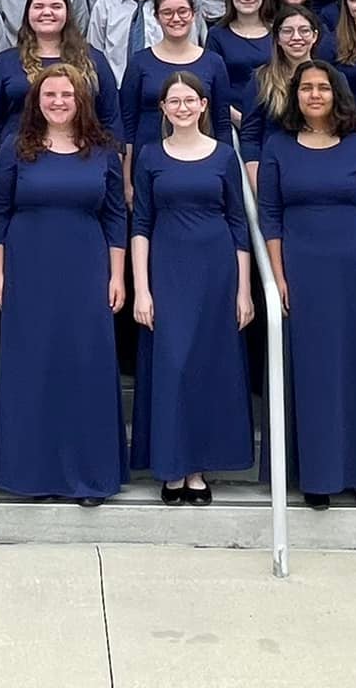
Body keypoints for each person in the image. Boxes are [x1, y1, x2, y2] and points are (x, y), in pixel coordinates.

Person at [256, 61, 356, 508]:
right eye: (306, 88)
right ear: (294, 96)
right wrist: (277, 277)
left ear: (337, 94)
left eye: (323, 87)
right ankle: (316, 475)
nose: (314, 95)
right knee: (312, 371)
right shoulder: (278, 145)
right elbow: (270, 217)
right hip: (301, 270)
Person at [0, 64, 128, 502]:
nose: (58, 102)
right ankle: (31, 475)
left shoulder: (102, 149)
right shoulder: (16, 147)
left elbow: (115, 216)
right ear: (37, 101)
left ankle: (88, 476)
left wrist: (117, 274)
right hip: (28, 266)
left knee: (84, 365)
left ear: (81, 100)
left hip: (86, 266)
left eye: (67, 95)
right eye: (50, 95)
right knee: (32, 367)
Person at [131, 71, 253, 504]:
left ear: (204, 106)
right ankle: (171, 465)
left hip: (217, 271)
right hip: (168, 269)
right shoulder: (149, 155)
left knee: (206, 365)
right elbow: (140, 224)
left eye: (190, 100)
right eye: (174, 102)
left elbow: (239, 223)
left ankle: (197, 468)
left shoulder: (224, 156)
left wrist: (244, 290)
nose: (182, 108)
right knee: (172, 365)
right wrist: (141, 289)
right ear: (162, 109)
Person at [0, 0, 120, 161]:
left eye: (56, 6)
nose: (47, 12)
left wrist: (116, 171)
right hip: (18, 159)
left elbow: (111, 119)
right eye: (38, 6)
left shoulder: (94, 59)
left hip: (83, 159)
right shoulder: (6, 61)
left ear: (68, 13)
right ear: (27, 13)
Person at [119, 0, 235, 157]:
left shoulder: (214, 62)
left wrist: (226, 164)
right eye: (167, 12)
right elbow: (127, 123)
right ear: (157, 18)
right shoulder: (139, 61)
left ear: (193, 15)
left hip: (202, 159)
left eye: (183, 11)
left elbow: (222, 123)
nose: (176, 18)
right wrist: (127, 177)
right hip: (147, 159)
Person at [237, 6, 325, 174]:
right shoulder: (261, 79)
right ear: (277, 38)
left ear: (315, 36)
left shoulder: (330, 78)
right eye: (287, 31)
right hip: (276, 171)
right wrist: (258, 187)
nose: (296, 37)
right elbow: (250, 138)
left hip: (321, 168)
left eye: (304, 31)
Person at [206, 0, 275, 114]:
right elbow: (213, 84)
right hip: (232, 118)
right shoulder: (216, 34)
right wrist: (238, 119)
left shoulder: (278, 32)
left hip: (273, 115)